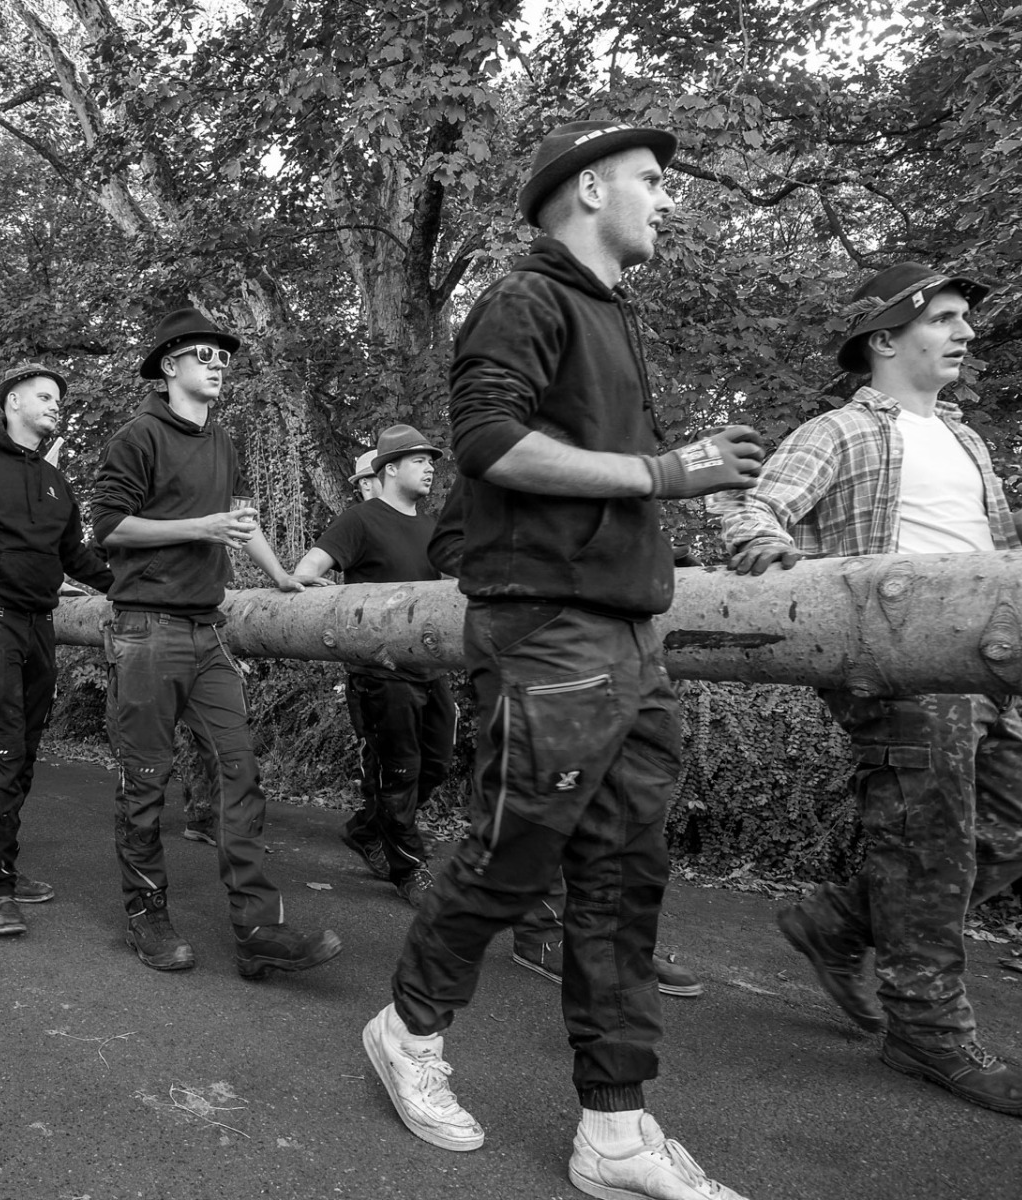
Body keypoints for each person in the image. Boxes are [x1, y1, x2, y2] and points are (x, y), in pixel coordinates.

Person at [362, 120, 764, 1200]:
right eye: (651, 181)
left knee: (626, 877)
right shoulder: (526, 298)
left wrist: (683, 495)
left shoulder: (612, 315)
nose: (666, 200)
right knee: (514, 856)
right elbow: (488, 443)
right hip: (548, 630)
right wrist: (666, 472)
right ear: (590, 188)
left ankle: (616, 1130)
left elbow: (603, 474)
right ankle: (407, 1030)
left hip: (632, 632)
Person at [716, 262, 1022, 1119]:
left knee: (1015, 836)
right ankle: (927, 1029)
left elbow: (983, 544)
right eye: (946, 318)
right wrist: (770, 552)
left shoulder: (966, 439)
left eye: (965, 318)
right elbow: (753, 508)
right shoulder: (840, 431)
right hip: (895, 665)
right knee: (931, 848)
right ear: (886, 340)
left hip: (981, 667)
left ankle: (837, 923)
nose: (966, 333)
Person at [90, 307, 342, 979]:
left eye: (223, 356)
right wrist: (197, 527)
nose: (218, 364)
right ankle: (147, 916)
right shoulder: (137, 436)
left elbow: (239, 520)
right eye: (204, 354)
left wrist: (281, 575)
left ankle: (258, 928)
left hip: (207, 633)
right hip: (145, 631)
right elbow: (109, 527)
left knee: (240, 771)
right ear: (170, 366)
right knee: (146, 780)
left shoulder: (223, 441)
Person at [428, 473, 704, 998]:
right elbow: (449, 545)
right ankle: (540, 935)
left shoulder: (624, 452)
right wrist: (549, 578)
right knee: (542, 806)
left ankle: (620, 955)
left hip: (621, 648)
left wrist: (659, 561)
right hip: (540, 645)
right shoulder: (509, 446)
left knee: (626, 819)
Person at [0, 362, 113, 935]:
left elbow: (74, 557)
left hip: (38, 624)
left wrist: (135, 585)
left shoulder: (56, 481)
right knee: (3, 748)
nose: (56, 405)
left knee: (24, 750)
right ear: (12, 402)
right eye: (45, 396)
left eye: (58, 398)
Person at [292, 424, 450, 908]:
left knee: (436, 765)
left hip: (429, 667)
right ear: (390, 469)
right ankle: (409, 869)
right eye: (419, 460)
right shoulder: (360, 520)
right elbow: (309, 568)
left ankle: (367, 829)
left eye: (431, 461)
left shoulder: (433, 528)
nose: (429, 468)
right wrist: (314, 586)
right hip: (381, 674)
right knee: (398, 772)